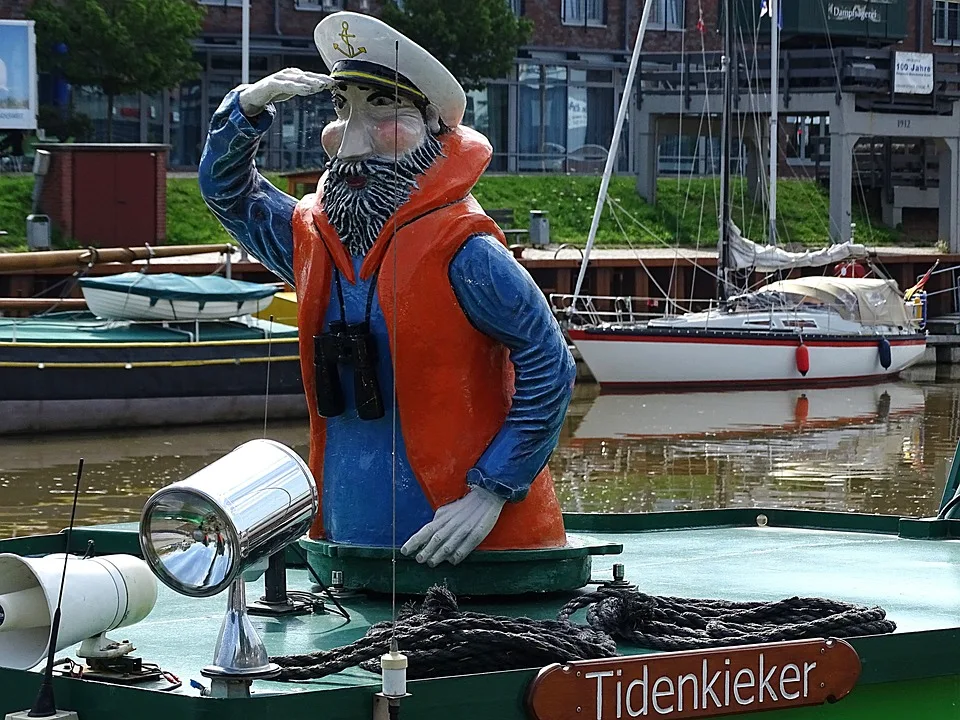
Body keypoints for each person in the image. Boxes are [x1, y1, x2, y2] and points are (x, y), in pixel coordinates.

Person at [199, 12, 575, 567]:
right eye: (342, 106)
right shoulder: (312, 237)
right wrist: (247, 111)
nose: (350, 139)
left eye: (381, 109)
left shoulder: (465, 251)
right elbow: (232, 197)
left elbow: (549, 361)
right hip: (351, 538)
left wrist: (493, 489)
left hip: (466, 545)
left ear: (430, 129)